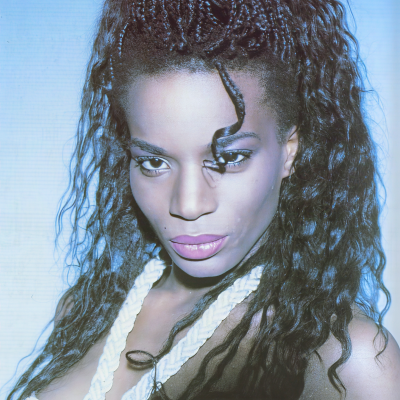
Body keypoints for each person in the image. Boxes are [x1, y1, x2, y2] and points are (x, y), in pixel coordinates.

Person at [8, 0, 400, 399]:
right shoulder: (86, 311)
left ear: (289, 150)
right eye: (154, 162)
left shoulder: (343, 358)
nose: (189, 204)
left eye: (228, 159)